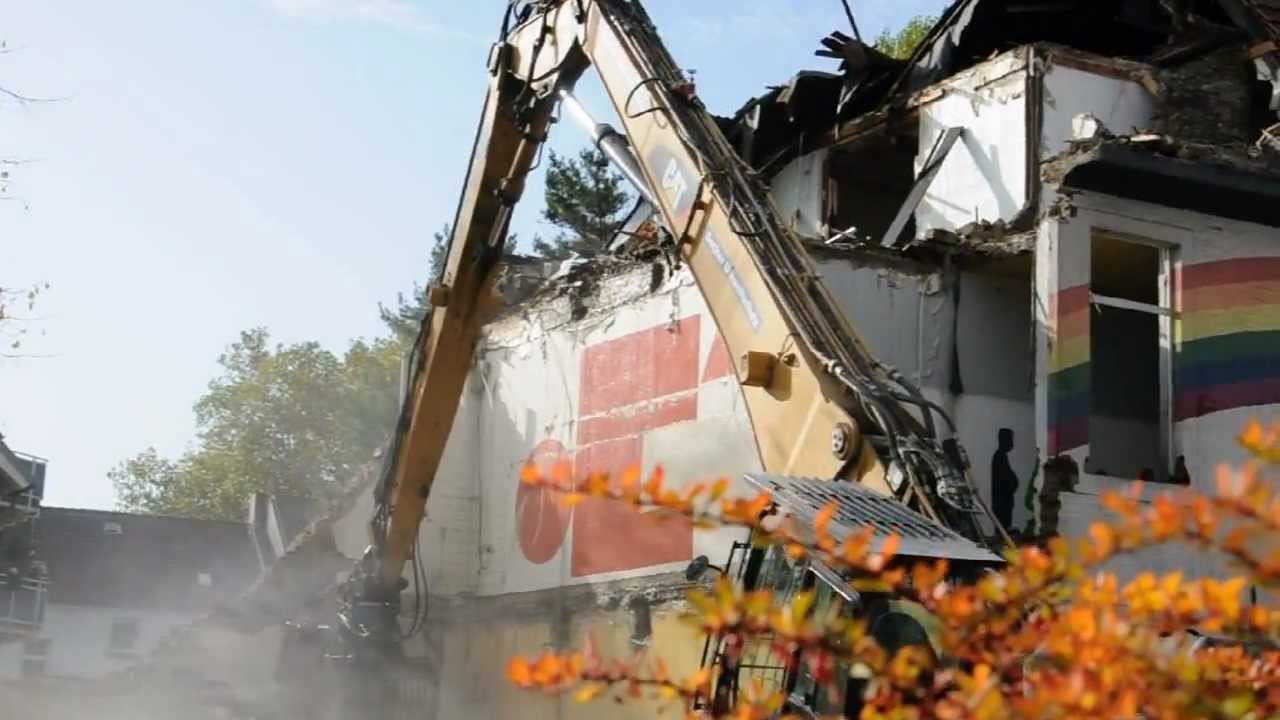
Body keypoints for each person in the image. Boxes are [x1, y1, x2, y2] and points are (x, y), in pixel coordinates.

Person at [991, 428, 1018, 531]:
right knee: (1003, 529)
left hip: (1003, 501)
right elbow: (1004, 481)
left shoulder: (1000, 456)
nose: (1012, 442)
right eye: (1010, 439)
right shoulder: (999, 456)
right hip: (1002, 503)